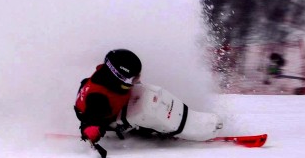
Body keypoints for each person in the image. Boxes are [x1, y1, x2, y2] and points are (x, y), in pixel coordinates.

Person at [74, 49, 223, 145]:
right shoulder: (98, 99)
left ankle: (179, 118)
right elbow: (89, 120)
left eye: (137, 77)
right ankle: (159, 131)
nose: (136, 81)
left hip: (112, 101)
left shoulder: (109, 77)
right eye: (132, 79)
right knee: (143, 115)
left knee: (150, 96)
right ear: (117, 77)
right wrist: (91, 131)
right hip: (102, 114)